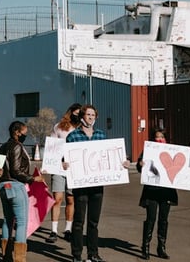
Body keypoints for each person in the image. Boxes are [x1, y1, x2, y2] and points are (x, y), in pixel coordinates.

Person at [66, 104, 128, 262]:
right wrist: (64, 164)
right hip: (81, 185)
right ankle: (77, 255)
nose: (91, 118)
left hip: (97, 186)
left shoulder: (101, 135)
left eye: (93, 115)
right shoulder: (73, 136)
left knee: (93, 222)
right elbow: (65, 158)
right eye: (88, 115)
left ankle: (93, 253)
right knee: (79, 221)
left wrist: (122, 163)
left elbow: (108, 157)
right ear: (82, 117)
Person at [136, 129, 190, 260]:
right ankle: (145, 247)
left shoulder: (174, 151)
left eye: (162, 137)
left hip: (167, 192)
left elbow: (187, 168)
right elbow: (140, 169)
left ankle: (161, 248)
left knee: (163, 220)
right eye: (157, 137)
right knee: (150, 219)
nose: (159, 140)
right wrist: (140, 165)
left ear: (166, 139)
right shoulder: (149, 151)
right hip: (152, 191)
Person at [0, 121, 44, 262]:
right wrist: (32, 179)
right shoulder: (17, 146)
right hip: (15, 185)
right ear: (17, 132)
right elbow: (16, 170)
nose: (26, 135)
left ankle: (6, 256)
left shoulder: (3, 147)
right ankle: (19, 259)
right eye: (24, 132)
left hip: (3, 186)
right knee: (22, 222)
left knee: (8, 220)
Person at [45, 103, 81, 244]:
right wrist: (52, 163)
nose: (77, 116)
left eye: (79, 114)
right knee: (57, 198)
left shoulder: (81, 129)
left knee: (71, 199)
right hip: (59, 167)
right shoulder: (59, 127)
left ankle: (68, 229)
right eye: (75, 113)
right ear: (70, 112)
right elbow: (52, 147)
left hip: (74, 168)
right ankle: (53, 230)